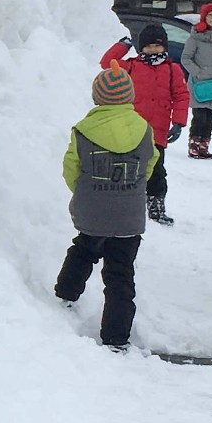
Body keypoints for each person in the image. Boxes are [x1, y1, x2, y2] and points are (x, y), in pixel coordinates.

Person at [55, 62, 157, 349]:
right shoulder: (144, 129)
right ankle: (116, 336)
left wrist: (86, 193)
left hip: (92, 211)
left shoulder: (83, 130)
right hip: (129, 216)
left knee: (84, 249)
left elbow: (71, 167)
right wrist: (132, 188)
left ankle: (66, 293)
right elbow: (149, 164)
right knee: (120, 274)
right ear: (130, 97)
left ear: (97, 97)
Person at [100, 25, 188, 225]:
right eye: (148, 46)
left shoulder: (172, 69)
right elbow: (106, 63)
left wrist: (179, 122)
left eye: (157, 46)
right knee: (128, 167)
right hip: (131, 129)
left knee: (157, 170)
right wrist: (123, 45)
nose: (153, 50)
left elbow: (181, 96)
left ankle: (156, 206)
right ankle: (125, 203)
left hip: (157, 131)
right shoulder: (131, 66)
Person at [180, 3, 212, 159]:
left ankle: (204, 145)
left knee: (210, 119)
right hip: (199, 84)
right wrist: (198, 72)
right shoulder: (195, 37)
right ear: (204, 17)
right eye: (210, 15)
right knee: (200, 117)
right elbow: (186, 58)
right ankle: (194, 145)